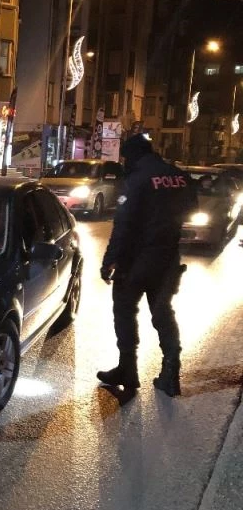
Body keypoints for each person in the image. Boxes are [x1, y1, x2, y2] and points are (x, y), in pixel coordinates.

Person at [97, 134, 197, 396]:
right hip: (168, 259)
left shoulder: (137, 179)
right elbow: (191, 208)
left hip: (136, 261)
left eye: (125, 157)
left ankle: (127, 370)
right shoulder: (178, 176)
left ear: (133, 155)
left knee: (124, 311)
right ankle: (170, 373)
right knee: (163, 313)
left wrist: (109, 261)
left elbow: (123, 225)